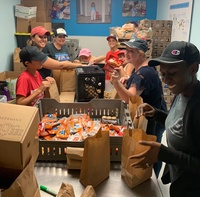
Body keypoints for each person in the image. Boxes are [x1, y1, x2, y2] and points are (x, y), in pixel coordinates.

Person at [130, 41, 200, 197]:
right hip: (179, 183)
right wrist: (156, 114)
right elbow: (180, 124)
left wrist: (166, 154)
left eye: (172, 74)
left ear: (193, 69)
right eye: (163, 74)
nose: (166, 80)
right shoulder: (181, 93)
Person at [111, 38, 167, 176]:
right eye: (126, 50)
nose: (127, 53)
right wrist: (128, 78)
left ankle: (150, 178)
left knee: (151, 150)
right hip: (157, 113)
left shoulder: (144, 73)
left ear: (141, 54)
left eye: (132, 51)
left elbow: (131, 98)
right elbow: (137, 82)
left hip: (152, 120)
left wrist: (116, 83)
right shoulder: (144, 68)